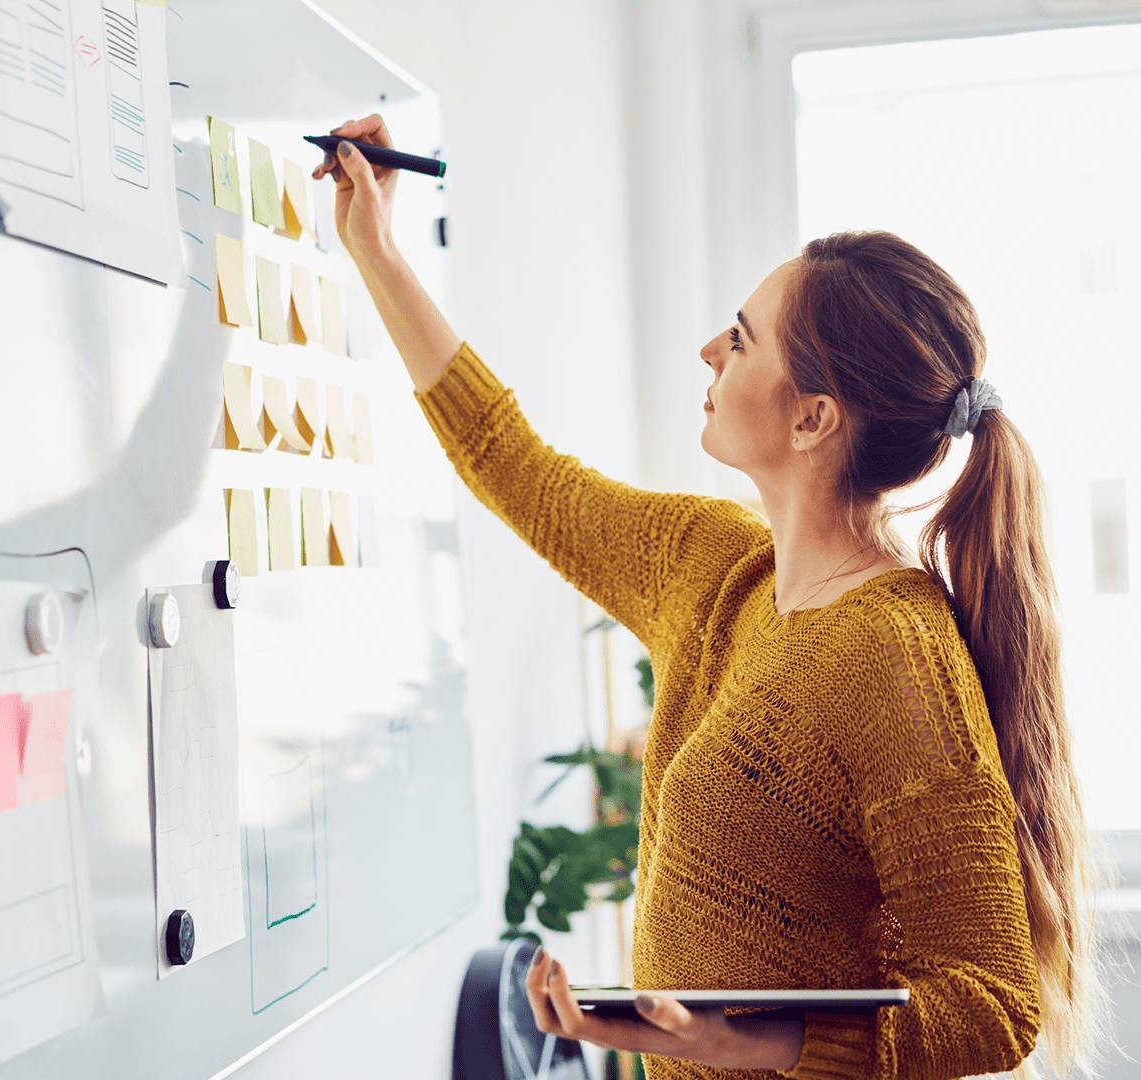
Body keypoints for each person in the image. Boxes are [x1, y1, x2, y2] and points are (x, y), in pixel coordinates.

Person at [313, 116, 1107, 1080]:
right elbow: (512, 465)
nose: (705, 352)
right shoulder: (715, 564)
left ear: (812, 417)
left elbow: (991, 1001)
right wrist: (378, 250)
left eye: (739, 339)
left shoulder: (893, 656)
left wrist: (745, 1037)